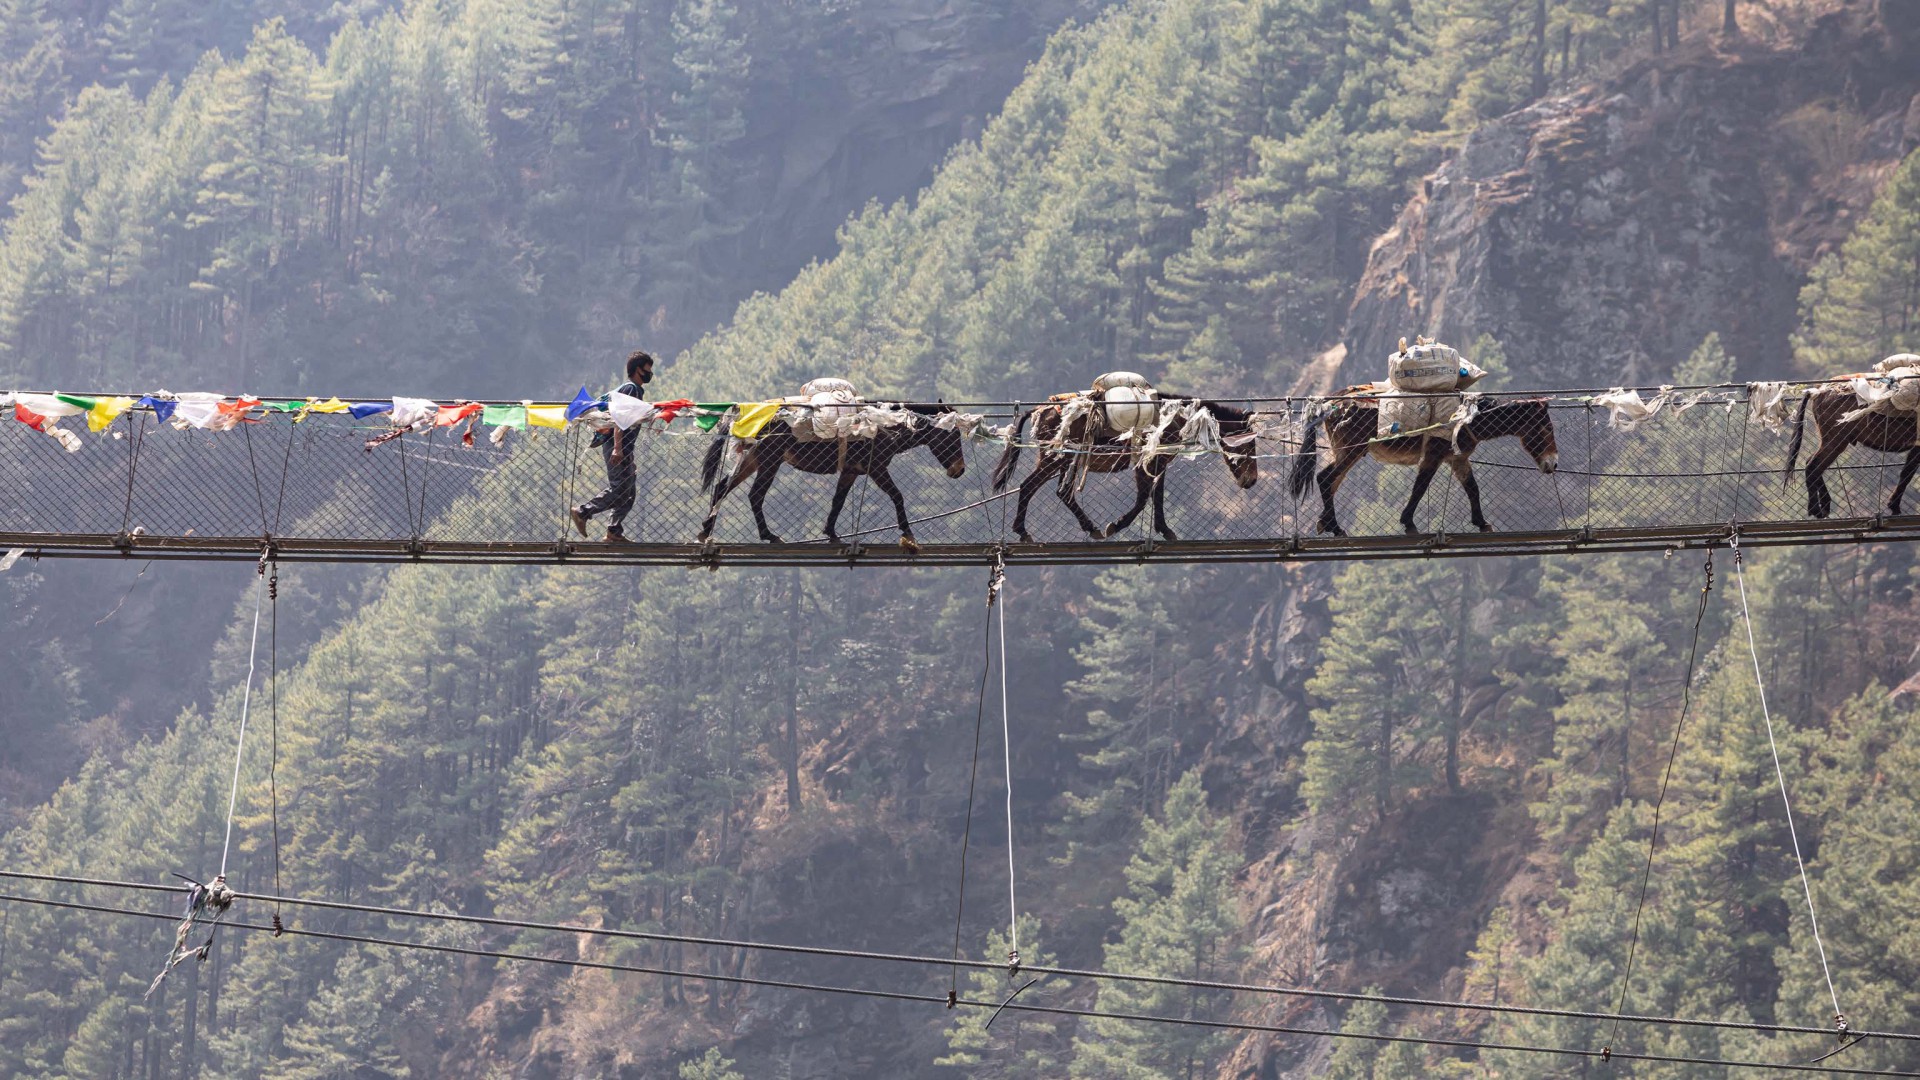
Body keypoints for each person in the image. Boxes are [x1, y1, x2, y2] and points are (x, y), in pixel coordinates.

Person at [571, 350, 655, 542]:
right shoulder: (632, 389)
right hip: (617, 446)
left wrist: (628, 455)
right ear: (636, 370)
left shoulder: (635, 390)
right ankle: (583, 512)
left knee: (629, 492)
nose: (649, 375)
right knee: (619, 490)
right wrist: (618, 448)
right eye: (647, 371)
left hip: (624, 448)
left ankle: (614, 531)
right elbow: (619, 419)